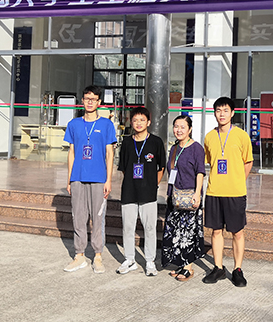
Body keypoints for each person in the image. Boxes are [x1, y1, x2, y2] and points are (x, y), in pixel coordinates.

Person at [63, 86, 117, 273]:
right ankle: (79, 255)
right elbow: (71, 152)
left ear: (99, 102)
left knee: (98, 217)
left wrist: (108, 180)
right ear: (82, 100)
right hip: (78, 177)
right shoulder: (74, 124)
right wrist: (69, 179)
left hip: (98, 178)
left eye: (93, 99)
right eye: (87, 98)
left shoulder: (106, 125)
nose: (90, 102)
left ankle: (98, 255)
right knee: (78, 216)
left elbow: (110, 154)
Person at [202, 97, 253, 287]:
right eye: (218, 110)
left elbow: (248, 162)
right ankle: (218, 268)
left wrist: (238, 180)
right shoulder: (209, 137)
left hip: (235, 192)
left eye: (225, 110)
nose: (221, 114)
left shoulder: (241, 135)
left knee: (237, 232)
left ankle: (237, 269)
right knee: (216, 231)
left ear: (232, 113)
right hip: (214, 191)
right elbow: (209, 161)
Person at [116, 106, 166, 277]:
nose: (138, 123)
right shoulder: (127, 142)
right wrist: (133, 182)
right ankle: (129, 259)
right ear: (131, 122)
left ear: (148, 122)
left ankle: (150, 261)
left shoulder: (156, 142)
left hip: (148, 193)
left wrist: (152, 184)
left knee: (150, 227)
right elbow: (124, 167)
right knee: (128, 227)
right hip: (129, 191)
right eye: (135, 120)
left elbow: (161, 167)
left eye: (142, 120)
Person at [162, 115, 206, 282]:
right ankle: (181, 263)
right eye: (176, 126)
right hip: (175, 196)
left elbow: (200, 172)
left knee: (188, 232)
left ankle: (188, 267)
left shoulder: (196, 148)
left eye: (182, 127)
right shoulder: (174, 148)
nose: (178, 130)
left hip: (190, 195)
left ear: (190, 129)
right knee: (176, 231)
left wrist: (197, 193)